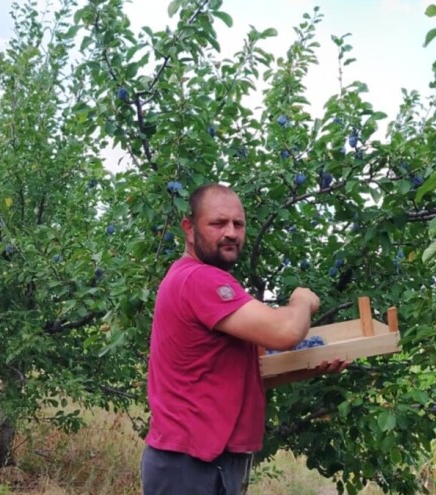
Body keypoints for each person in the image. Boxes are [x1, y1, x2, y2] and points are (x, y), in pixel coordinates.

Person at [141, 183, 347, 495]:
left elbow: (243, 373)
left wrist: (310, 367)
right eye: (218, 223)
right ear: (189, 228)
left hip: (204, 461)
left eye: (238, 224)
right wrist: (302, 299)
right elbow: (287, 332)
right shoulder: (200, 279)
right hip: (190, 465)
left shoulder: (195, 278)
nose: (231, 232)